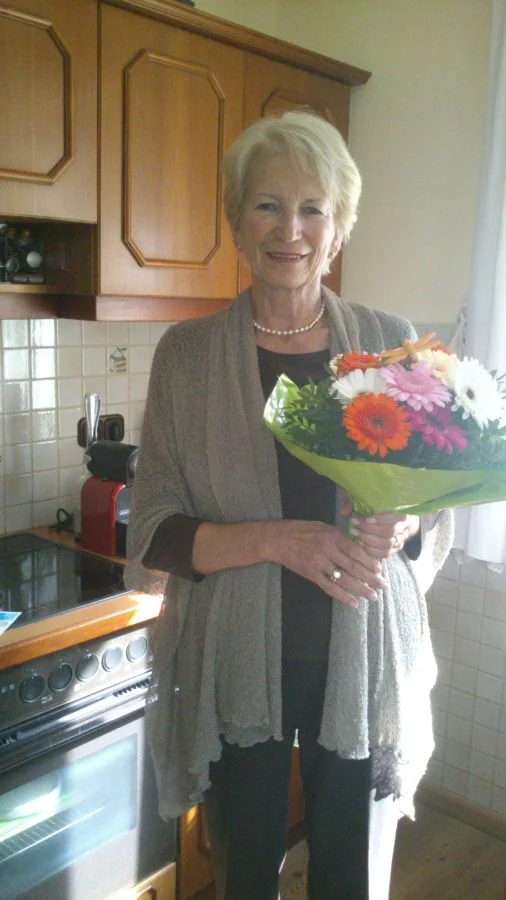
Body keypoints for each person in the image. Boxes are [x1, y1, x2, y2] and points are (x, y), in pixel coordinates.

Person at [126, 110, 454, 900]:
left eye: (313, 208)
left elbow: (433, 502)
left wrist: (405, 519)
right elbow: (157, 528)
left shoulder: (389, 343)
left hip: (362, 651)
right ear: (237, 220)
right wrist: (278, 541)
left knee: (349, 873)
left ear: (339, 227)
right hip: (240, 657)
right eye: (268, 205)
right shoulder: (187, 357)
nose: (291, 229)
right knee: (245, 868)